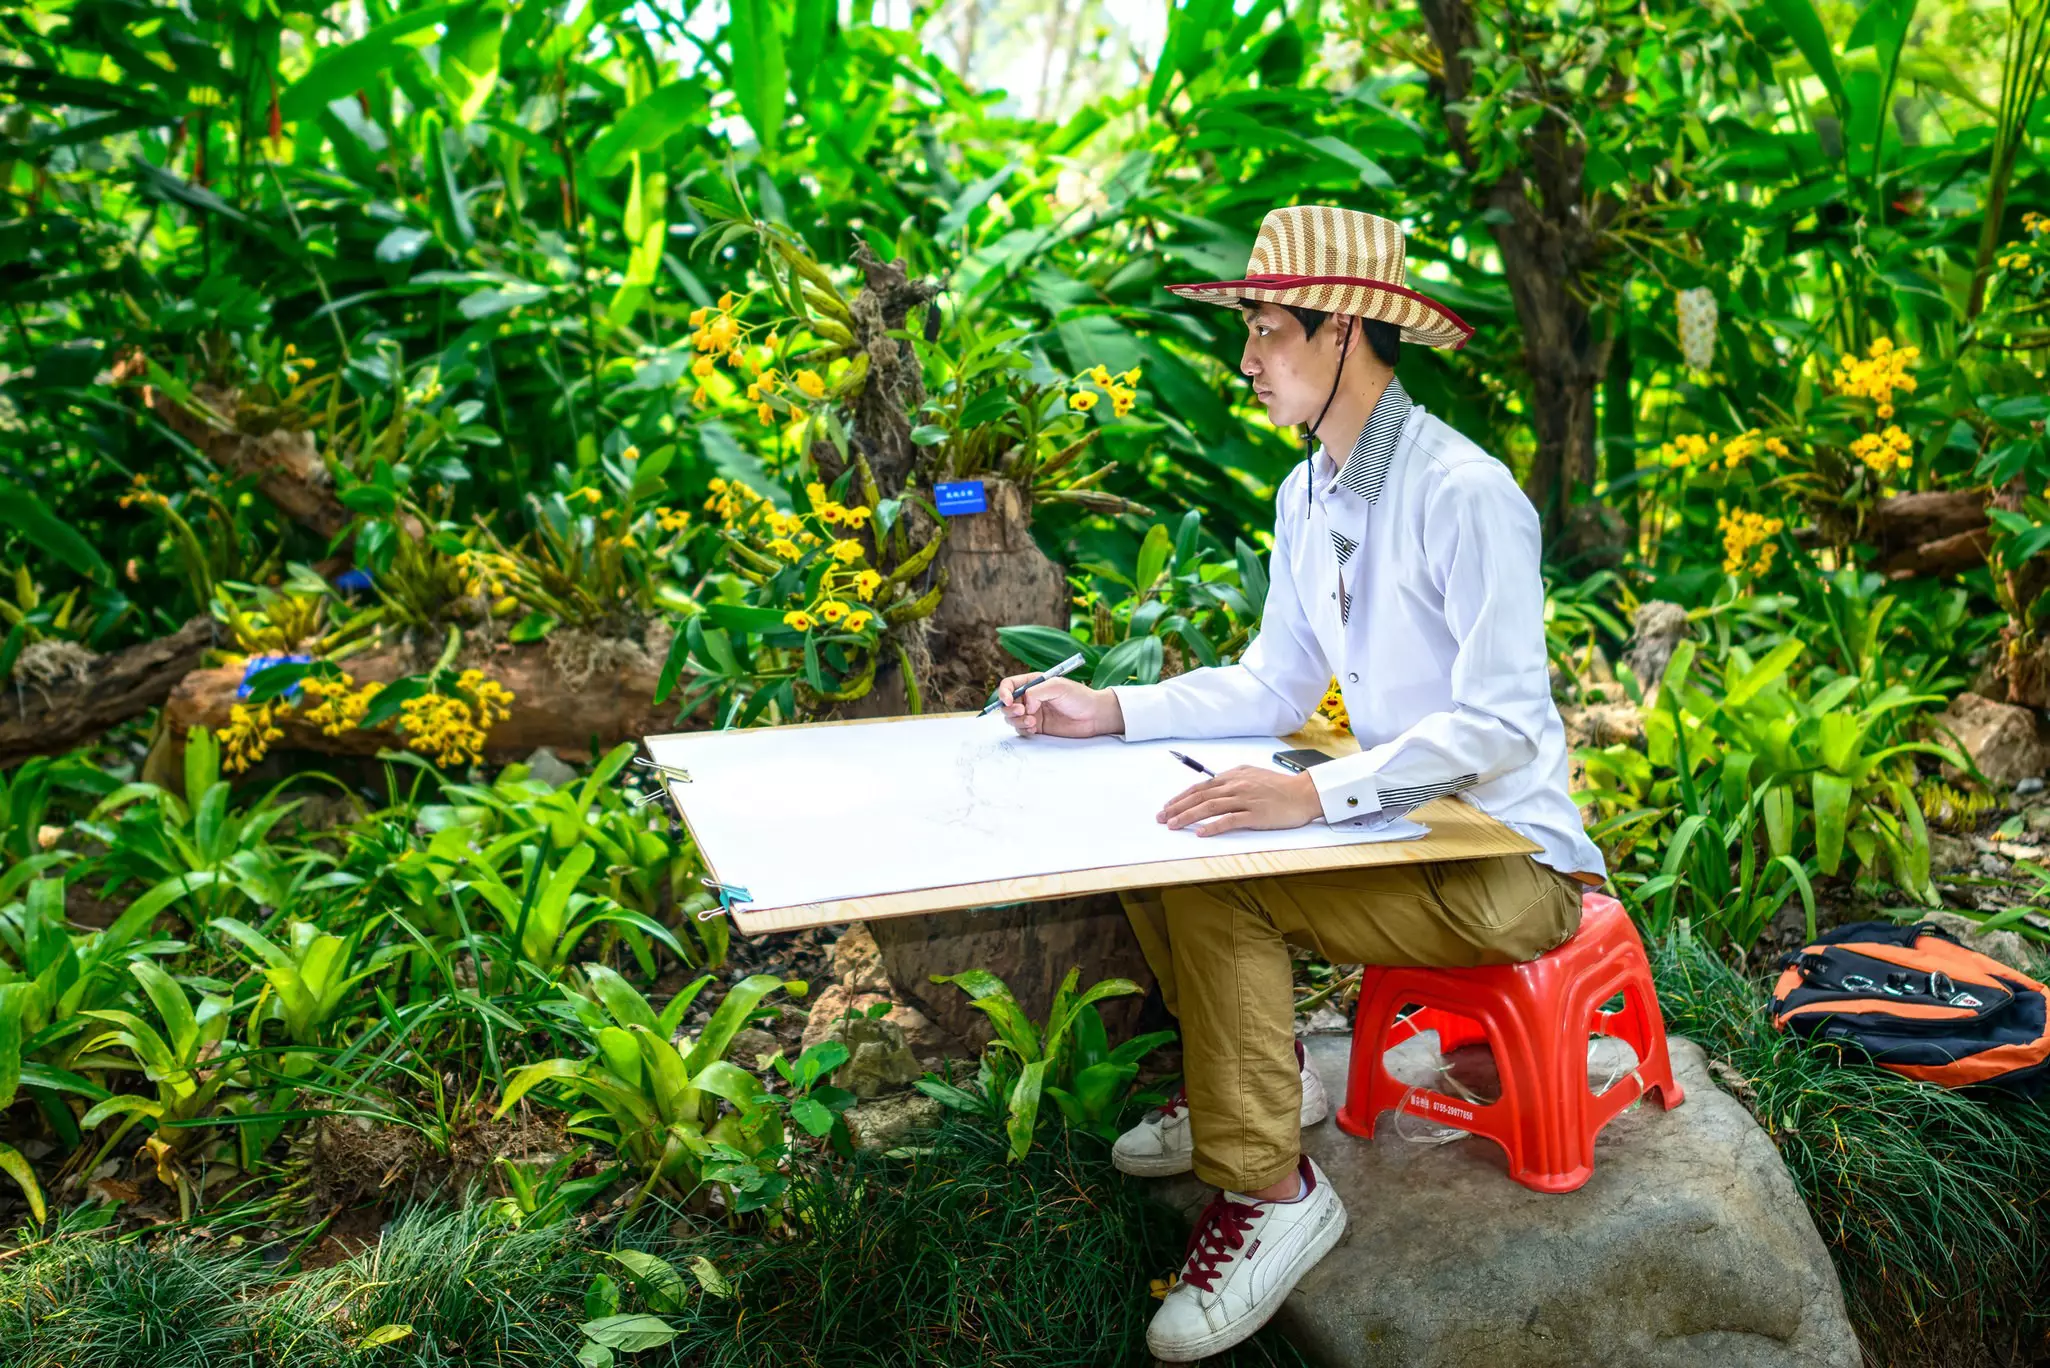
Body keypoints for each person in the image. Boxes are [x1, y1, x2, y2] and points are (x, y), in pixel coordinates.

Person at [993, 205, 1607, 1363]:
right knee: (1147, 821)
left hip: (1508, 864)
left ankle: (1273, 1191)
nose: (1247, 358)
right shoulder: (1307, 494)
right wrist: (1107, 711)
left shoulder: (1462, 492)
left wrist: (1314, 799)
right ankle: (1260, 1083)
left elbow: (1503, 722)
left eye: (1268, 329)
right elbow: (1277, 680)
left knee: (1226, 880)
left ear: (1349, 329)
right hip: (1408, 830)